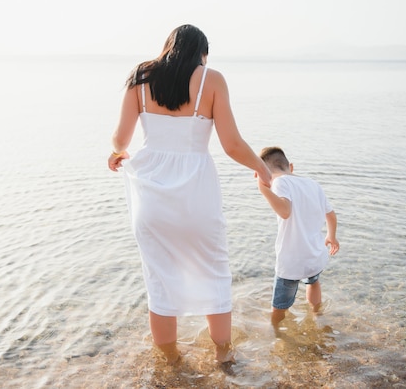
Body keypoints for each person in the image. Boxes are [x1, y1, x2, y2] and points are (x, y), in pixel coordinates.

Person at [108, 24, 272, 365]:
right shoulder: (212, 80)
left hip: (151, 197)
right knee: (213, 273)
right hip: (196, 194)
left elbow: (120, 140)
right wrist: (262, 167)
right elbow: (232, 145)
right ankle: (223, 358)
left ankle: (169, 364)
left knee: (160, 280)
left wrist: (118, 153)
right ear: (202, 53)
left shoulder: (139, 77)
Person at [256, 146, 339, 327]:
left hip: (292, 259)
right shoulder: (313, 184)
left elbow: (285, 211)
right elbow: (331, 215)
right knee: (314, 283)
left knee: (279, 305)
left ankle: (276, 331)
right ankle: (317, 315)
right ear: (290, 166)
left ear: (263, 173)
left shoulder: (279, 183)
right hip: (315, 254)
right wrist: (331, 236)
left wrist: (264, 190)